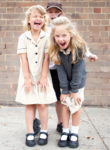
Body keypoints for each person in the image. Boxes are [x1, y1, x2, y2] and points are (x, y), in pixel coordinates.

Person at [45, 1, 98, 134]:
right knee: (60, 98)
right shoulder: (44, 29)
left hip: (69, 71)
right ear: (46, 14)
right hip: (53, 68)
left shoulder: (65, 28)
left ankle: (70, 129)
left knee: (72, 100)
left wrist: (89, 54)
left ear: (60, 13)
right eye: (50, 12)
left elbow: (79, 45)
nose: (52, 14)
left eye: (55, 12)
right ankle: (62, 125)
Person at [15, 5, 57, 147]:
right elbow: (23, 59)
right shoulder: (23, 37)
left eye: (41, 16)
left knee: (42, 104)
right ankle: (30, 132)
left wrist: (44, 77)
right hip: (28, 75)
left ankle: (44, 131)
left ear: (44, 21)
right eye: (35, 16)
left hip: (42, 75)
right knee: (30, 104)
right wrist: (26, 78)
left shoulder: (47, 37)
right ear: (28, 20)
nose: (38, 18)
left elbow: (47, 58)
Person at [49, 16, 88, 148]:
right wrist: (65, 90)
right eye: (57, 36)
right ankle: (65, 132)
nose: (61, 39)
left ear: (71, 34)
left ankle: (74, 133)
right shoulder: (56, 50)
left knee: (75, 106)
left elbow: (78, 71)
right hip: (65, 82)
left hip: (78, 82)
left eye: (64, 35)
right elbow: (61, 71)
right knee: (65, 104)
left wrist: (74, 91)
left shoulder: (79, 48)